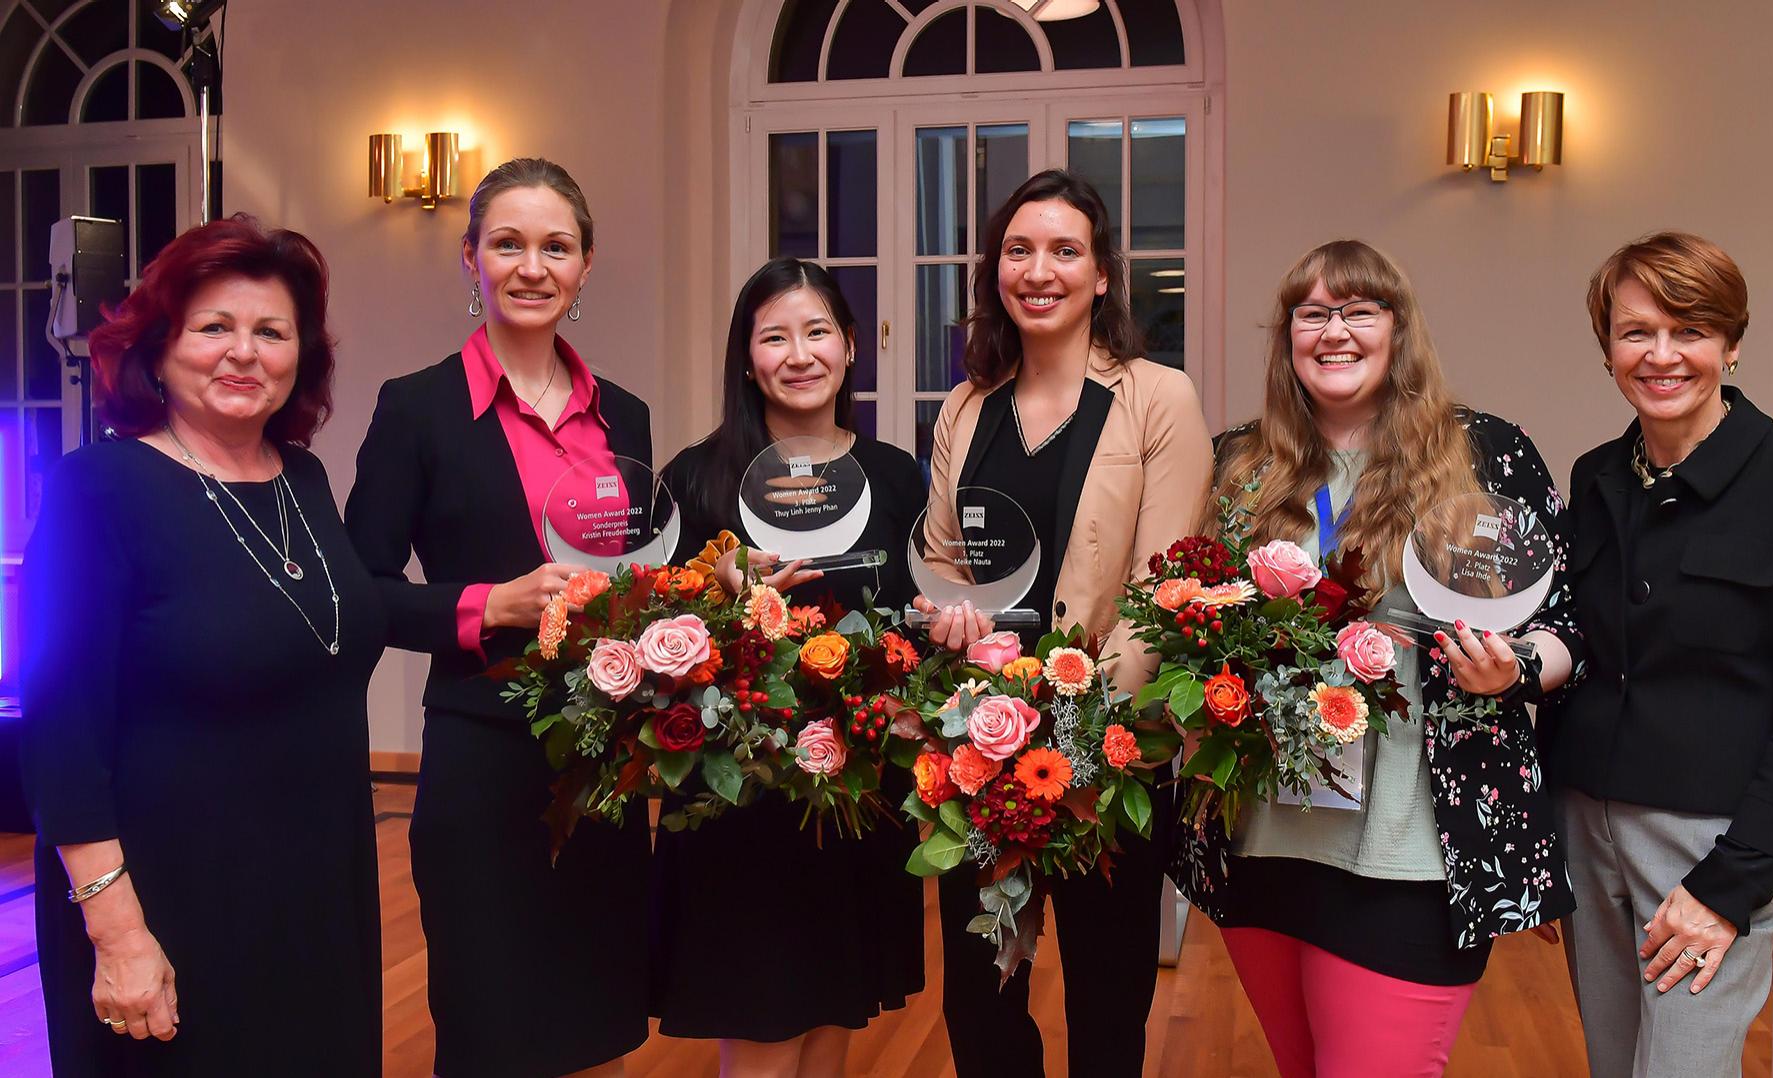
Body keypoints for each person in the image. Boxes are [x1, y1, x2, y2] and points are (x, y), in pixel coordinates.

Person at [1175, 239, 1579, 1078]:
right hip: (1265, 835)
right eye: (1312, 313)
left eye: (1359, 310)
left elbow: (1565, 628)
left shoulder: (1485, 453)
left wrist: (1513, 670)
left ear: (1399, 329)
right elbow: (1191, 615)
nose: (1334, 331)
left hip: (1415, 844)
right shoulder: (1238, 463)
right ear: (1286, 334)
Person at [22, 216, 383, 1075]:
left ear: (303, 355)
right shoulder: (98, 488)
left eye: (270, 332)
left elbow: (325, 624)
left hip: (317, 891)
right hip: (170, 900)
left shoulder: (304, 478)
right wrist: (117, 933)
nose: (243, 353)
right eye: (214, 327)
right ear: (158, 345)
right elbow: (61, 734)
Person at [344, 158, 650, 1078]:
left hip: (605, 756)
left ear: (585, 266)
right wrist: (491, 604)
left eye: (555, 246)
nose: (531, 266)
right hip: (480, 751)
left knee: (593, 1015)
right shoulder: (417, 408)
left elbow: (637, 569)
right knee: (488, 1021)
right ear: (469, 258)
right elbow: (359, 590)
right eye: (507, 244)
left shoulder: (624, 415)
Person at [1544, 231, 1773, 1078]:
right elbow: (1582, 655)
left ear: (1731, 343)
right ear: (1605, 347)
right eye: (1634, 331)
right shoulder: (1595, 474)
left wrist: (1734, 884)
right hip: (1585, 824)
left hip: (1711, 846)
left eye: (1687, 330)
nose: (1660, 355)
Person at [913, 168, 1212, 1078]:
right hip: (982, 746)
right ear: (994, 269)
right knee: (979, 994)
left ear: (1102, 274)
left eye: (1064, 251)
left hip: (1111, 750)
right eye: (1017, 250)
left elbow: (1164, 594)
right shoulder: (966, 407)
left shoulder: (1159, 397)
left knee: (1107, 1001)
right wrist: (948, 628)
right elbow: (943, 564)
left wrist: (1076, 739)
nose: (1038, 270)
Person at [650, 257, 925, 1078]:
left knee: (835, 1019)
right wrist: (724, 603)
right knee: (763, 1028)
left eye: (816, 333)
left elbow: (911, 616)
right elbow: (646, 647)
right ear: (746, 357)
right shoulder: (696, 479)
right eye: (774, 336)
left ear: (849, 347)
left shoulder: (895, 475)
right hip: (743, 802)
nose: (798, 354)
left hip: (856, 792)